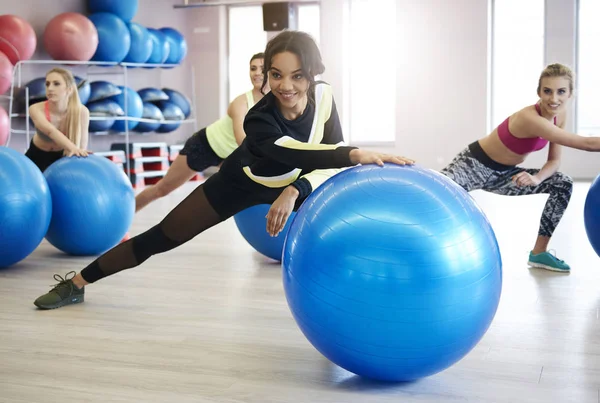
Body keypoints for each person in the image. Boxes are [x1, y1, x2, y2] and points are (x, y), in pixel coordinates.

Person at [33, 30, 414, 310]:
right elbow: (301, 151)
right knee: (162, 237)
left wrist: (296, 189)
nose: (285, 86)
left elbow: (326, 157)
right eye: (276, 75)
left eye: (297, 75)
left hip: (291, 186)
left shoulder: (326, 95)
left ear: (312, 73)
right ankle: (77, 282)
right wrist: (353, 153)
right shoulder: (259, 119)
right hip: (239, 182)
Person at [441, 63, 595, 273]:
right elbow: (585, 144)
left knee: (562, 182)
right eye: (547, 91)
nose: (554, 98)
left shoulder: (560, 116)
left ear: (570, 94)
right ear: (538, 92)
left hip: (505, 174)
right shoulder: (529, 118)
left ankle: (539, 253)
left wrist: (538, 178)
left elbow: (554, 161)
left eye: (561, 92)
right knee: (435, 194)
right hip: (474, 164)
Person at [135, 52, 269, 212]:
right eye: (253, 68)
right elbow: (242, 140)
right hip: (204, 146)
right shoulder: (240, 103)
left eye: (261, 69)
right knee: (162, 189)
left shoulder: (273, 104)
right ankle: (125, 215)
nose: (256, 73)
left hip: (228, 156)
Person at [25, 67, 90, 172]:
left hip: (62, 159)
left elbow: (82, 146)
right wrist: (73, 148)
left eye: (56, 84)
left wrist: (79, 152)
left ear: (69, 89)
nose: (50, 88)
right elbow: (50, 131)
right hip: (36, 157)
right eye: (47, 84)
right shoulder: (35, 109)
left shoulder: (82, 112)